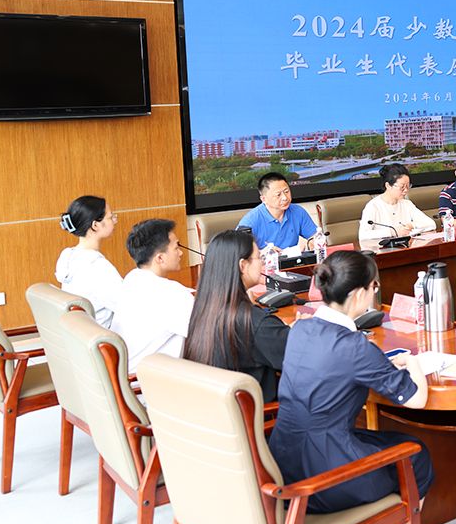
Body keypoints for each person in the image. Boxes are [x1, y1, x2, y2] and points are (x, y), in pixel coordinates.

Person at [269, 251, 432, 524]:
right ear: (358, 293)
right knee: (416, 456)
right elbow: (417, 398)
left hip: (283, 463)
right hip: (324, 475)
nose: (375, 292)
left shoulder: (300, 329)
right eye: (374, 286)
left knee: (383, 442)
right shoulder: (355, 347)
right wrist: (413, 363)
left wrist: (379, 364)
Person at [183, 231, 290, 403]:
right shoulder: (254, 322)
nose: (262, 262)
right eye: (259, 257)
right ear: (243, 265)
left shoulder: (202, 310)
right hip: (261, 415)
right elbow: (305, 358)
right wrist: (302, 332)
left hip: (217, 412)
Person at [112, 219, 194, 373]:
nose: (181, 253)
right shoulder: (172, 294)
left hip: (127, 374)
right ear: (160, 258)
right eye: (176, 248)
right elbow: (209, 335)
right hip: (152, 383)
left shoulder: (131, 279)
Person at [55, 195, 122, 328]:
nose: (115, 221)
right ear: (95, 225)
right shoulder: (98, 267)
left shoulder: (68, 256)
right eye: (111, 217)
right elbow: (128, 307)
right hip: (103, 335)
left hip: (81, 333)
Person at [237, 172, 318, 249]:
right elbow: (239, 252)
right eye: (278, 195)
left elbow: (315, 236)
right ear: (264, 199)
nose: (285, 198)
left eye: (286, 192)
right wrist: (261, 253)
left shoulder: (298, 211)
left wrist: (312, 242)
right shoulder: (250, 221)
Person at [359, 163, 437, 241]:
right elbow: (363, 235)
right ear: (388, 185)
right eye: (402, 187)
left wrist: (411, 225)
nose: (406, 190)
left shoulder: (406, 204)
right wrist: (393, 232)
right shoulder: (373, 206)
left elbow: (431, 224)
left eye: (408, 186)